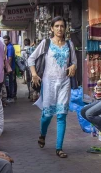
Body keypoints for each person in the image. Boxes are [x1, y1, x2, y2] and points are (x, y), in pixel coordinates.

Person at [28, 17, 77, 158]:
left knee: (61, 115)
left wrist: (73, 66)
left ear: (65, 28)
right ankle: (42, 134)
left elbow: (74, 62)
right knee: (47, 115)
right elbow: (31, 59)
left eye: (62, 26)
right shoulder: (46, 43)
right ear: (52, 28)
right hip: (48, 83)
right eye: (56, 26)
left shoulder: (69, 44)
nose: (59, 29)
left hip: (64, 83)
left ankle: (59, 148)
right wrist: (34, 74)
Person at [4, 36, 17, 102]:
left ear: (9, 40)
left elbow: (9, 59)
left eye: (6, 40)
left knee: (10, 82)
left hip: (10, 68)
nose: (5, 42)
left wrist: (7, 68)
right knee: (10, 82)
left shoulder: (10, 47)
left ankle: (11, 96)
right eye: (4, 40)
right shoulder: (7, 47)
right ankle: (12, 95)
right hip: (10, 68)